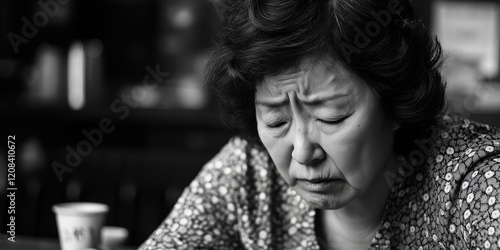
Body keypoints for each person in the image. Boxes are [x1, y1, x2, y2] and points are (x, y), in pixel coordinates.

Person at [139, 0, 500, 249]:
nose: (303, 151)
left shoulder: (472, 181)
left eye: (331, 117)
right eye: (276, 120)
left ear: (394, 103)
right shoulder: (248, 172)